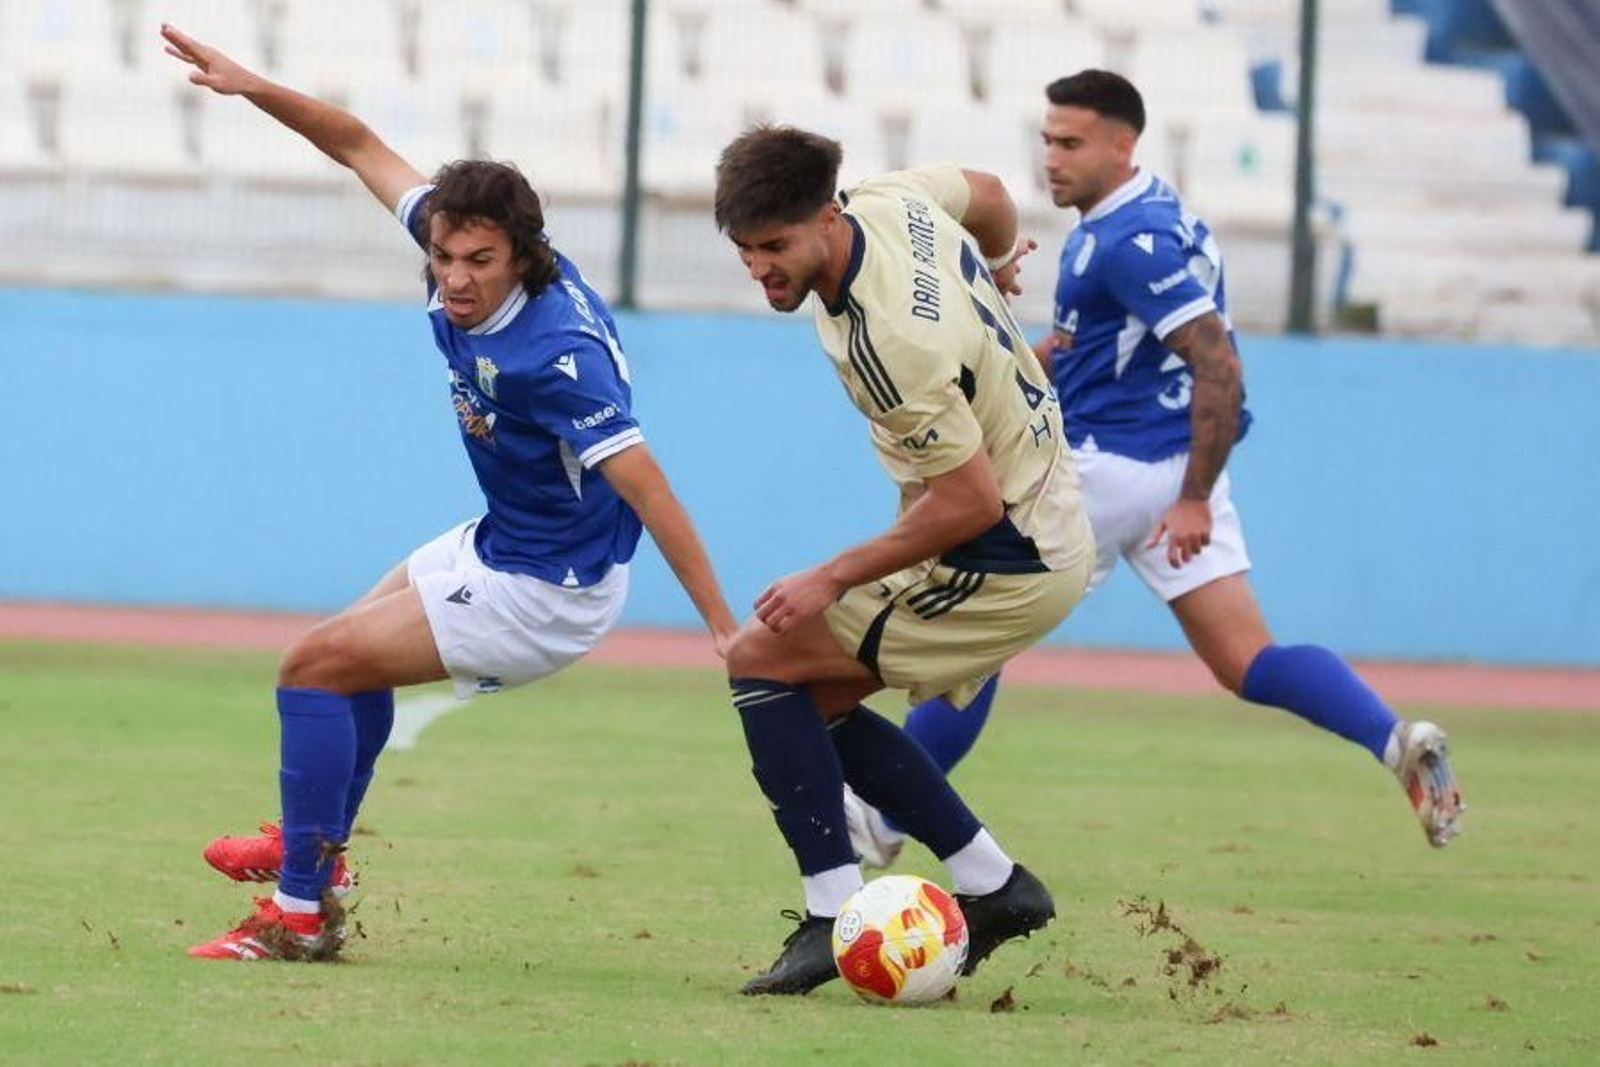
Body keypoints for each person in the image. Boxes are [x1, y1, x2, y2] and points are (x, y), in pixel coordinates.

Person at [160, 24, 738, 962]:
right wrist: (249, 84)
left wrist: (722, 622)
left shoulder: (555, 359)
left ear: (523, 254)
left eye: (480, 261)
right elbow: (354, 142)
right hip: (507, 537)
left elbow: (651, 487)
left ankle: (299, 912)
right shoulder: (458, 237)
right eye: (445, 256)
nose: (456, 278)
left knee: (311, 664)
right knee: (351, 663)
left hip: (547, 587)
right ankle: (319, 854)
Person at [843, 70, 1464, 871]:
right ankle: (1395, 738)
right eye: (1046, 140)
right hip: (1169, 469)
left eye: (1070, 143)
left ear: (1121, 143)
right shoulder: (1161, 216)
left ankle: (880, 819)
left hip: (1109, 471)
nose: (1051, 159)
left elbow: (1218, 361)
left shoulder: (1123, 243)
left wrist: (1196, 498)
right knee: (1248, 660)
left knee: (973, 642)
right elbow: (1077, 355)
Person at [712, 125, 1097, 995]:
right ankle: (994, 884)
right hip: (1041, 517)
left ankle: (829, 912)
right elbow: (992, 193)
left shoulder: (892, 341)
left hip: (1005, 552)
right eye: (745, 250)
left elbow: (967, 502)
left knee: (761, 660)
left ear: (824, 216)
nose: (760, 269)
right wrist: (997, 270)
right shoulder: (893, 200)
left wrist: (831, 575)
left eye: (775, 248)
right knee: (810, 699)